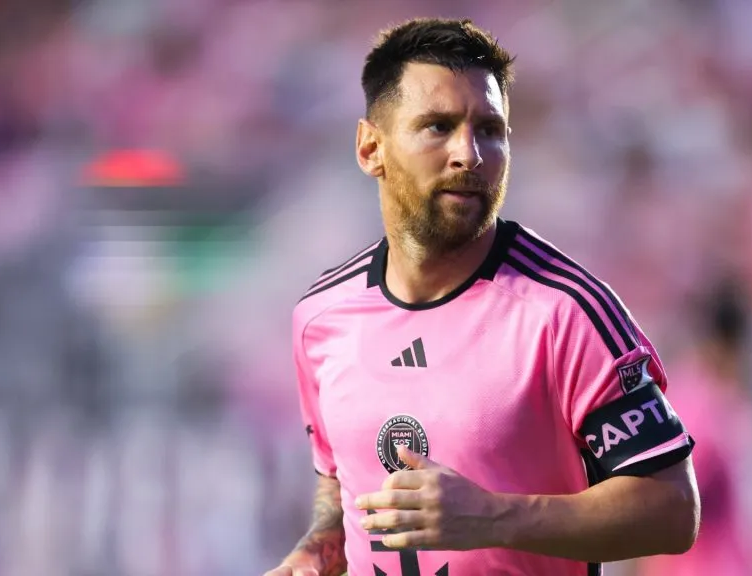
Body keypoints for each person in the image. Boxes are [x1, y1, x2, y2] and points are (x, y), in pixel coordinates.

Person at [265, 18, 699, 576]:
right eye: (438, 126)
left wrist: (494, 517)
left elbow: (672, 508)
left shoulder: (566, 312)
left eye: (490, 130)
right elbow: (337, 475)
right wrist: (318, 549)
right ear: (371, 148)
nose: (469, 153)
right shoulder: (321, 318)